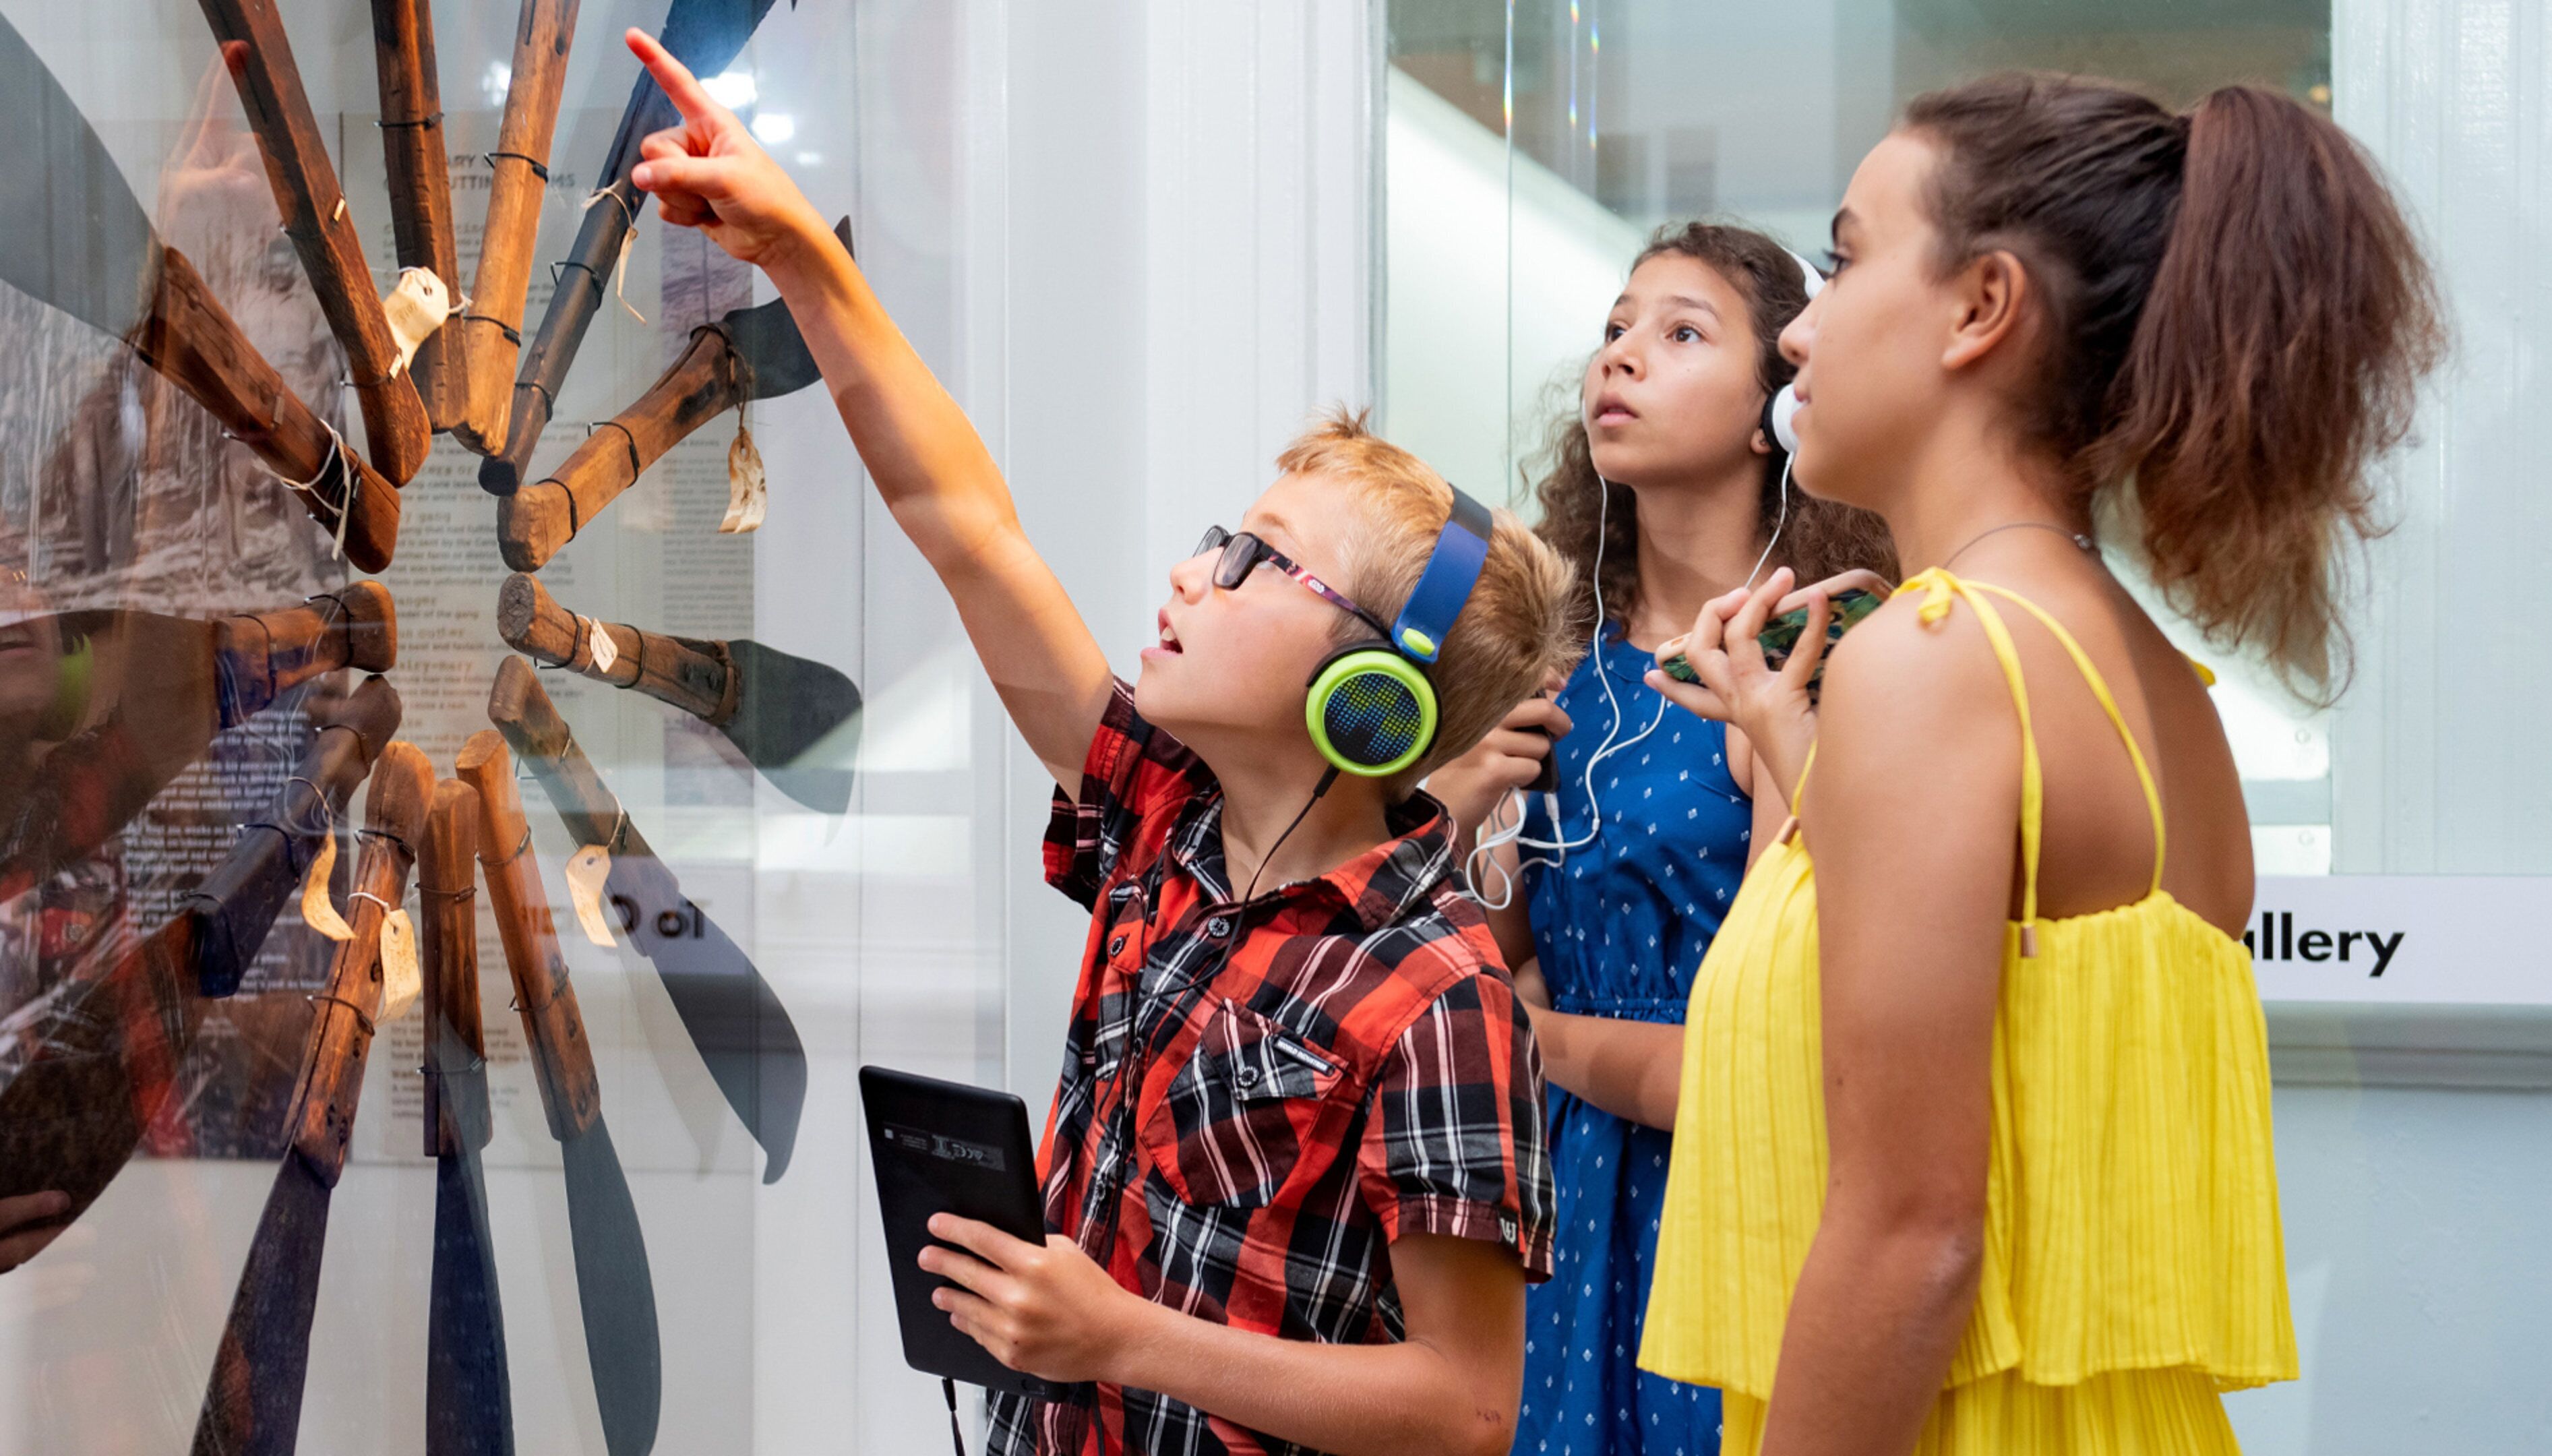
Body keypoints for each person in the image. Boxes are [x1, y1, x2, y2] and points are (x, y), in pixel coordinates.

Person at [618, 29, 1578, 1456]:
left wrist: (1122, 1339)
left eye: (1258, 562)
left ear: (1367, 699)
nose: (1196, 573)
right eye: (1219, 538)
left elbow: (1467, 1403)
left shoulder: (1439, 997)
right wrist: (800, 256)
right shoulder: (1162, 824)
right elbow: (970, 530)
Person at [1635, 74, 2440, 1451]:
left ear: (1981, 307)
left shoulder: (1938, 660)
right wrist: (1783, 735)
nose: (1800, 334)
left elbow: (1914, 1234)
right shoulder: (2162, 692)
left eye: (1842, 259)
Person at [1426, 222, 1889, 1456]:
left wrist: (1529, 1033)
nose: (1622, 357)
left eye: (1681, 334)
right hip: (1543, 1203)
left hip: (1722, 1211)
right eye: (1616, 329)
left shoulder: (1803, 664)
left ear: (1769, 415)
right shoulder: (1552, 656)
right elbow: (1473, 954)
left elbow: (1755, 1061)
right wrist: (1461, 804)